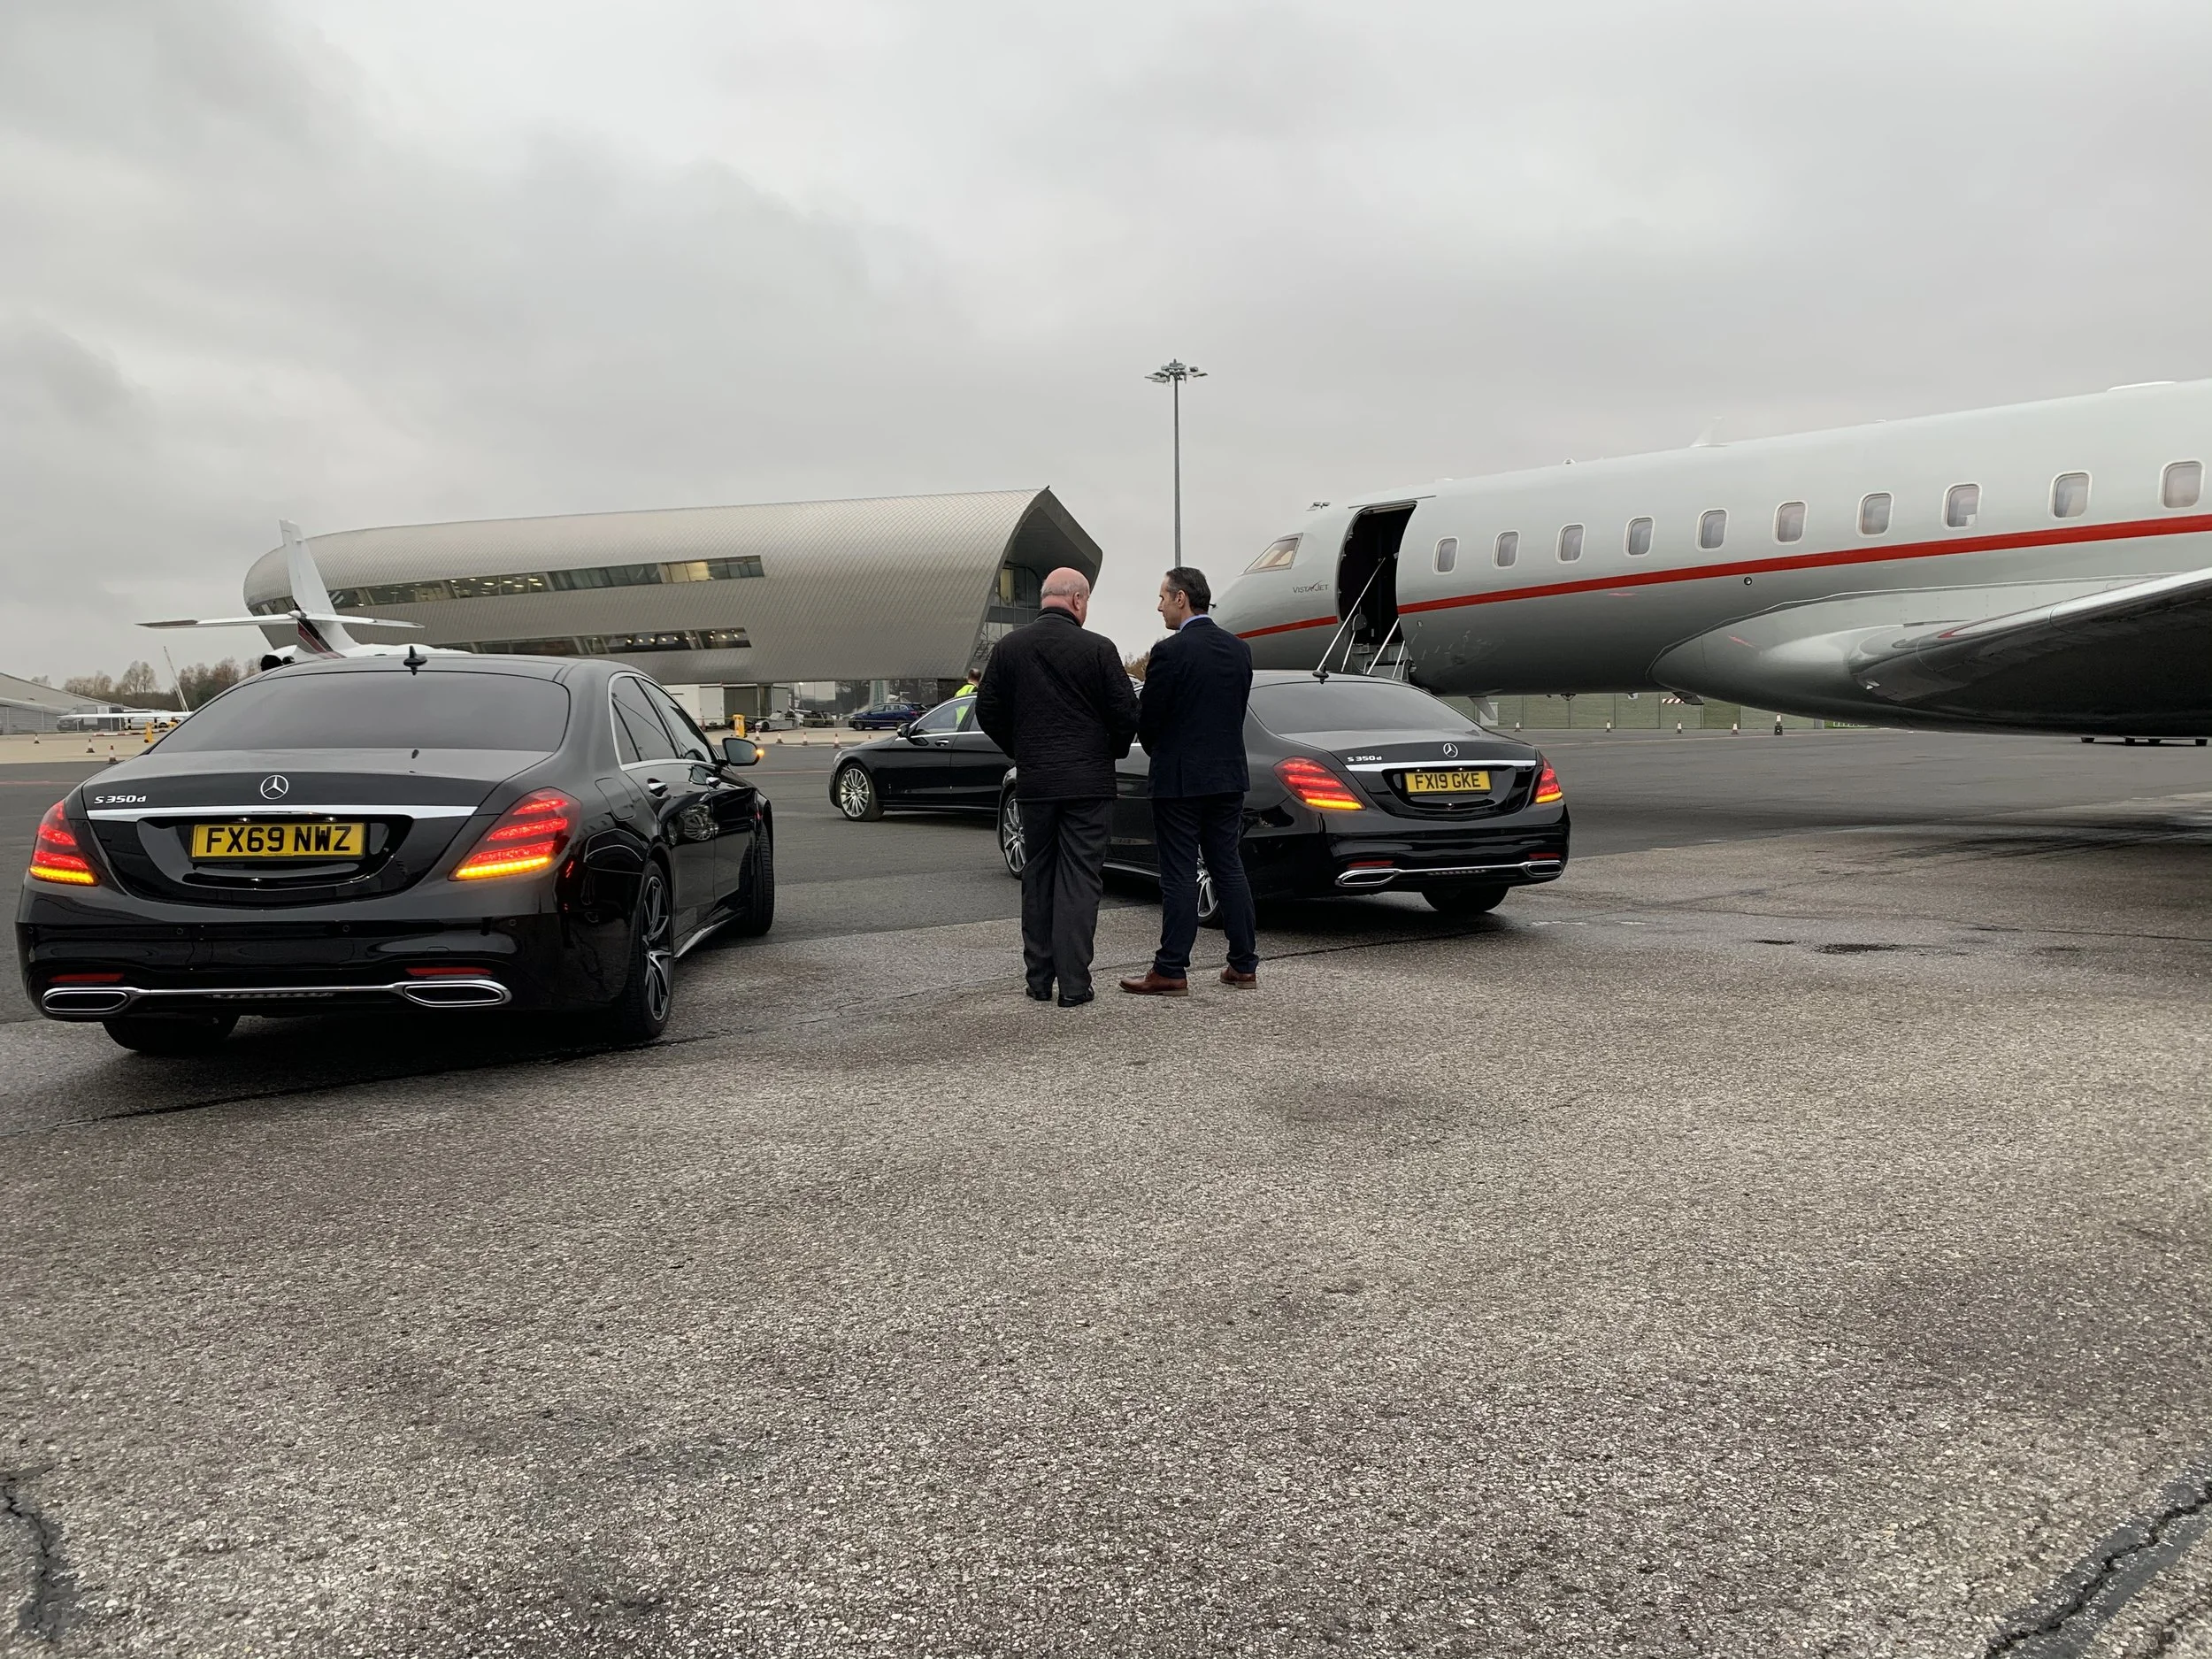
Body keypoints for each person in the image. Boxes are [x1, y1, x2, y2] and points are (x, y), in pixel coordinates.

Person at [972, 568, 1138, 1006]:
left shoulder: (1009, 648)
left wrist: (1021, 748)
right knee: (1080, 878)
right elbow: (1126, 713)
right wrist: (1110, 750)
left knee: (1038, 874)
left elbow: (987, 710)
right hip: (1089, 783)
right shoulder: (1099, 648)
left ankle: (1039, 980)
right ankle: (1075, 985)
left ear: (1045, 598)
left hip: (1037, 781)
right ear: (1078, 601)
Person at [1119, 565, 1259, 996]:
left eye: (1163, 597)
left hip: (1179, 780)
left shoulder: (1169, 652)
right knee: (1227, 866)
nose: (1159, 606)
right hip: (1228, 776)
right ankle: (1243, 965)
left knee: (1179, 872)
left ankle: (1171, 968)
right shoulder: (1240, 650)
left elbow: (1150, 721)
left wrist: (1157, 744)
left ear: (1181, 598)